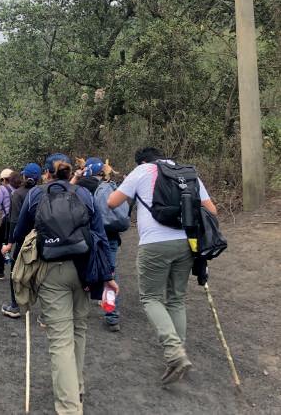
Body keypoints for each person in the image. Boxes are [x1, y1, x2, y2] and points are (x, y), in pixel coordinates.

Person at [13, 153, 119, 414]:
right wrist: (108, 275)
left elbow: (19, 231)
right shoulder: (84, 195)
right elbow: (99, 236)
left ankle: (70, 407)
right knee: (78, 329)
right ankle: (76, 386)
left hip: (51, 272)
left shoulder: (36, 195)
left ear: (47, 173)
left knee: (60, 339)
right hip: (83, 269)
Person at [107, 147, 217, 385]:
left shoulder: (142, 171)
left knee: (151, 298)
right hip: (187, 243)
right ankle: (178, 352)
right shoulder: (187, 173)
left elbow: (111, 202)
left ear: (142, 161)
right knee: (176, 299)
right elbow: (211, 210)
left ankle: (174, 352)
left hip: (154, 244)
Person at [71, 157, 122, 332]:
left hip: (89, 236)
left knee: (82, 269)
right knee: (110, 272)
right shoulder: (111, 186)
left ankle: (78, 307)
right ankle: (112, 316)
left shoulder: (83, 186)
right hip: (111, 236)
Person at [0, 163, 41, 318]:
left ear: (24, 176)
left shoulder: (17, 194)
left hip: (23, 240)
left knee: (16, 272)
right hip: (40, 238)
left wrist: (9, 243)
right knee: (40, 274)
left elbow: (14, 220)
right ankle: (45, 313)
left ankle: (14, 306)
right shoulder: (42, 193)